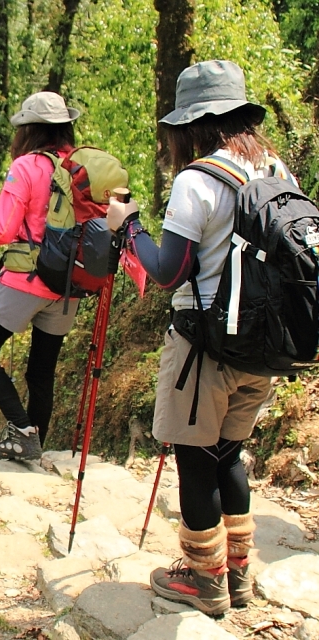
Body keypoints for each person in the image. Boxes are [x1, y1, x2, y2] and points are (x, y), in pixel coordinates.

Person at [106, 61, 289, 615]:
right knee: (230, 454)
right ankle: (238, 574)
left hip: (202, 348)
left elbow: (169, 271)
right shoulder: (278, 170)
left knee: (194, 457)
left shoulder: (197, 180)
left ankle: (203, 580)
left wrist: (128, 225)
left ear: (191, 125)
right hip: (264, 347)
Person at [0, 91, 86, 461]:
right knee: (42, 368)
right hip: (71, 282)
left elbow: (1, 232)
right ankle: (32, 445)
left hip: (26, 279)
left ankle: (22, 430)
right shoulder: (80, 165)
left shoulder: (26, 166)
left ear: (28, 130)